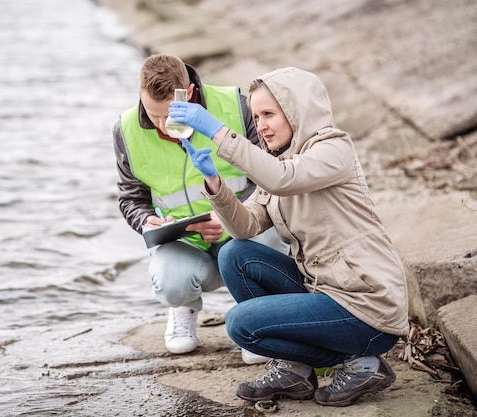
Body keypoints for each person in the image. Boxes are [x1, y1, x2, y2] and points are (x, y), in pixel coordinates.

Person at [167, 67, 409, 407]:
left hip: (366, 305)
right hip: (323, 291)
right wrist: (214, 184)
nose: (261, 125)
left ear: (297, 111)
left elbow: (284, 179)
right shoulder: (278, 161)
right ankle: (294, 370)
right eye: (256, 116)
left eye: (269, 114)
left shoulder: (333, 149)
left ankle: (362, 363)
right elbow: (245, 226)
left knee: (242, 325)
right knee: (235, 254)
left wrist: (217, 131)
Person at [113, 53, 269, 355]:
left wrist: (230, 216)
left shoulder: (236, 105)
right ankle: (182, 307)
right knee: (171, 281)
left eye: (169, 114)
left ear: (190, 94)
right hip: (185, 243)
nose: (161, 124)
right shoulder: (125, 128)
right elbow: (131, 197)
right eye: (152, 113)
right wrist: (146, 221)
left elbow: (269, 177)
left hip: (247, 231)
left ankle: (256, 314)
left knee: (277, 236)